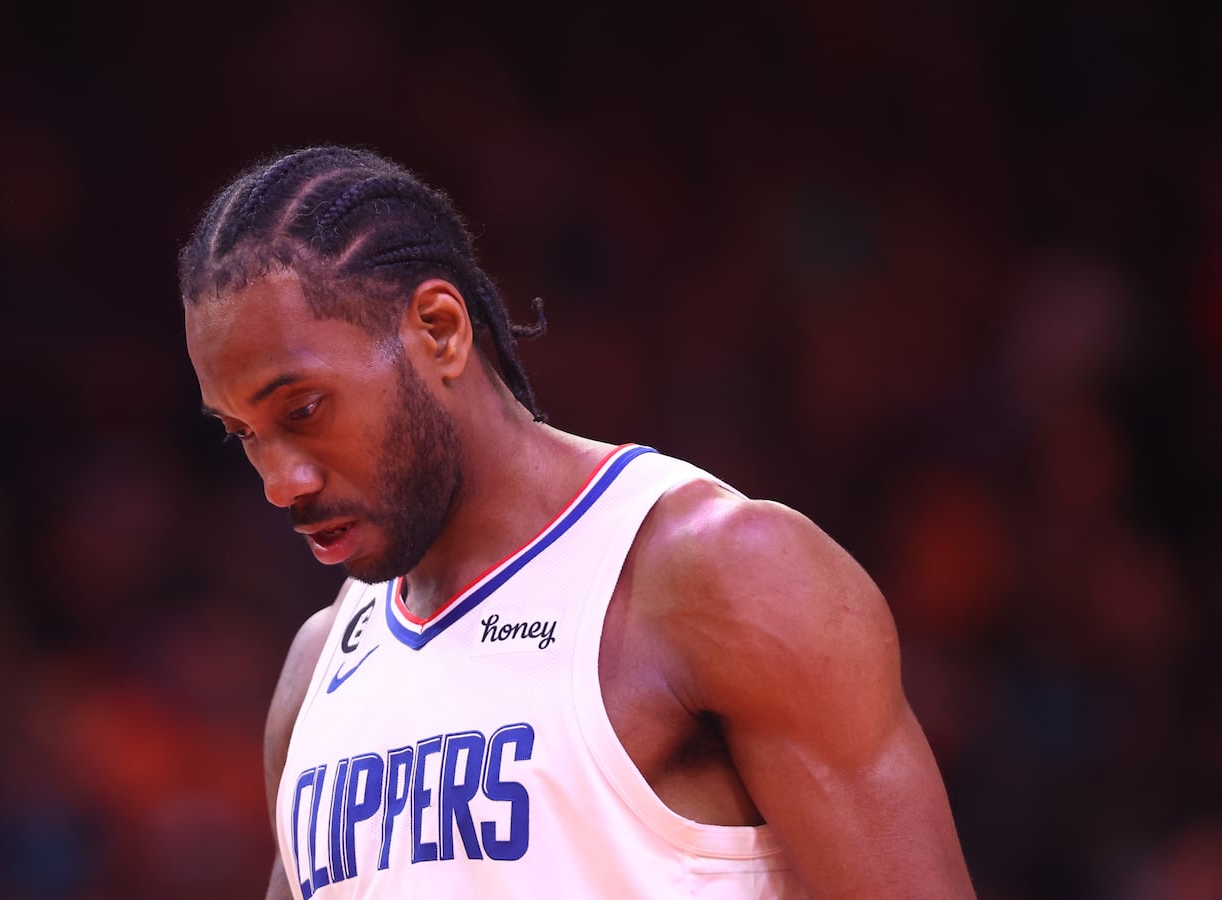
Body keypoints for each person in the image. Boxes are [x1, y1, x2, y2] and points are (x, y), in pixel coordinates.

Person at [179, 146, 975, 899]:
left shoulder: (720, 573)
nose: (281, 482)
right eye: (244, 434)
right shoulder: (315, 672)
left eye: (304, 409)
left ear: (439, 330)